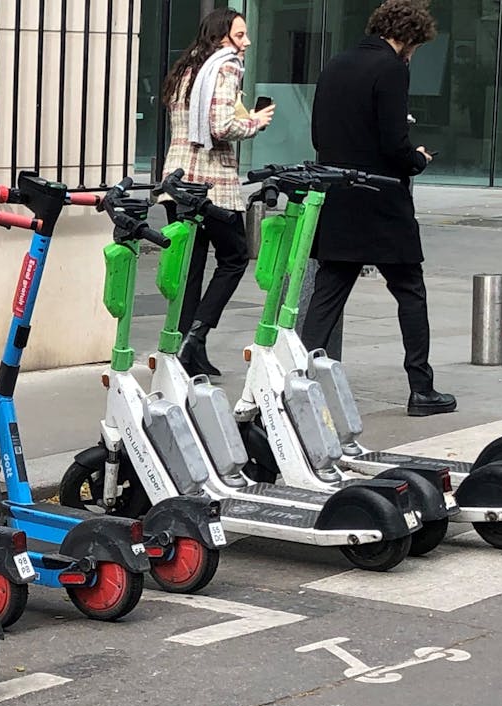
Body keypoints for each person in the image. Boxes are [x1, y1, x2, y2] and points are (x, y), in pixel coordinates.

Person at [300, 0, 454, 417]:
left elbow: (318, 132)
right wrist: (417, 159)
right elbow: (393, 143)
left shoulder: (335, 63)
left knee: (328, 292)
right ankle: (421, 388)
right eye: (416, 46)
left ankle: (296, 382)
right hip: (381, 196)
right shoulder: (391, 68)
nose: (413, 54)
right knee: (409, 290)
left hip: (337, 192)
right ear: (407, 37)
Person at [158, 8, 274, 377]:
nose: (247, 43)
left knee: (191, 267)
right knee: (235, 257)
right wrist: (255, 123)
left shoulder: (186, 70)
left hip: (176, 179)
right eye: (239, 35)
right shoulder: (224, 67)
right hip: (212, 183)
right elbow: (221, 126)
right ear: (220, 37)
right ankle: (197, 334)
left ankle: (187, 351)